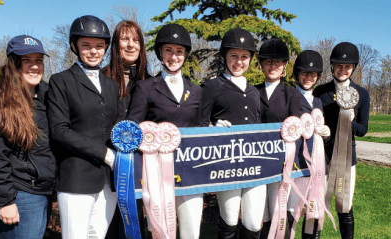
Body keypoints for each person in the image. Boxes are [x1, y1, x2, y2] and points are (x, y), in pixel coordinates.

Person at [127, 23, 203, 239]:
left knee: (191, 232)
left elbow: (199, 129)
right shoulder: (145, 87)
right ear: (160, 53)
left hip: (191, 171)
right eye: (168, 50)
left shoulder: (196, 91)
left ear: (185, 55)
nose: (173, 56)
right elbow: (133, 127)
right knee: (159, 232)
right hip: (156, 172)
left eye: (179, 51)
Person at [0, 35, 55, 238]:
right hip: (18, 193)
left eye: (39, 61)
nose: (35, 67)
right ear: (13, 64)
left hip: (41, 192)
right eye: (26, 61)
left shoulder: (50, 98)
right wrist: (5, 201)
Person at [46, 15, 118, 239]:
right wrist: (105, 153)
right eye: (86, 45)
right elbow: (59, 130)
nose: (94, 51)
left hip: (110, 179)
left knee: (98, 235)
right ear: (74, 46)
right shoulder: (61, 81)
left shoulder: (111, 84)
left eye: (99, 46)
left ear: (106, 47)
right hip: (77, 176)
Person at [201, 27, 264, 239]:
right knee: (228, 219)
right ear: (225, 56)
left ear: (251, 59)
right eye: (234, 56)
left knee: (254, 222)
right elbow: (200, 124)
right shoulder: (212, 86)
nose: (239, 61)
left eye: (244, 56)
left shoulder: (255, 90)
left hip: (255, 163)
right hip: (227, 164)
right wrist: (211, 128)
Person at [313, 42, 370, 239]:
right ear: (332, 66)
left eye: (347, 67)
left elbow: (363, 130)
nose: (342, 70)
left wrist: (351, 122)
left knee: (345, 205)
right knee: (318, 201)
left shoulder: (362, 94)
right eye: (338, 66)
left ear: (353, 68)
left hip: (347, 158)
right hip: (322, 155)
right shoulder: (320, 92)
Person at [102, 20, 150, 239]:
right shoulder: (100, 79)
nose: (131, 45)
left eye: (136, 39)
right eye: (124, 39)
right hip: (106, 169)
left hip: (144, 170)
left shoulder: (151, 83)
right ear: (115, 44)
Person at [256, 38, 303, 239]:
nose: (273, 66)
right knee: (261, 211)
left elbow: (296, 128)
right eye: (268, 62)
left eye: (278, 63)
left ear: (284, 66)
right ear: (261, 65)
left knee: (279, 207)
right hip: (256, 159)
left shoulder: (291, 94)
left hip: (281, 160)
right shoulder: (252, 91)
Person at [287, 50, 331, 239]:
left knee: (313, 211)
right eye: (304, 73)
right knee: (291, 211)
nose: (308, 77)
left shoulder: (319, 101)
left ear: (318, 77)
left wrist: (326, 134)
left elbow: (317, 129)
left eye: (312, 74)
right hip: (296, 162)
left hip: (317, 163)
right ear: (297, 74)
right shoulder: (289, 96)